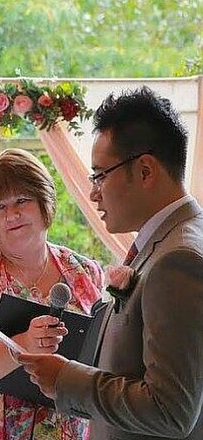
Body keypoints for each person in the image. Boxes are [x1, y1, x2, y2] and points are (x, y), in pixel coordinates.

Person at [20, 87, 203, 439]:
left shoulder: (177, 259)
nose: (93, 192)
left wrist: (65, 379)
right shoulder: (170, 241)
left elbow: (171, 410)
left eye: (100, 174)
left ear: (145, 170)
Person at [0, 148, 103, 440]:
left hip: (67, 429)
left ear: (44, 202)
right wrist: (23, 344)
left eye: (22, 200)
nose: (12, 214)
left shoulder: (85, 272)